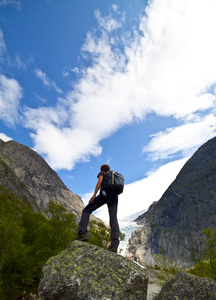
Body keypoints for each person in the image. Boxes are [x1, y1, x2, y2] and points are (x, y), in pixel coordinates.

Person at [75, 164, 120, 253]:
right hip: (114, 197)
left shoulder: (102, 172)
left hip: (104, 195)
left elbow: (100, 182)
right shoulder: (112, 176)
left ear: (102, 169)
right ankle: (114, 245)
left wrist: (94, 195)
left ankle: (82, 234)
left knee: (86, 210)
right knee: (113, 219)